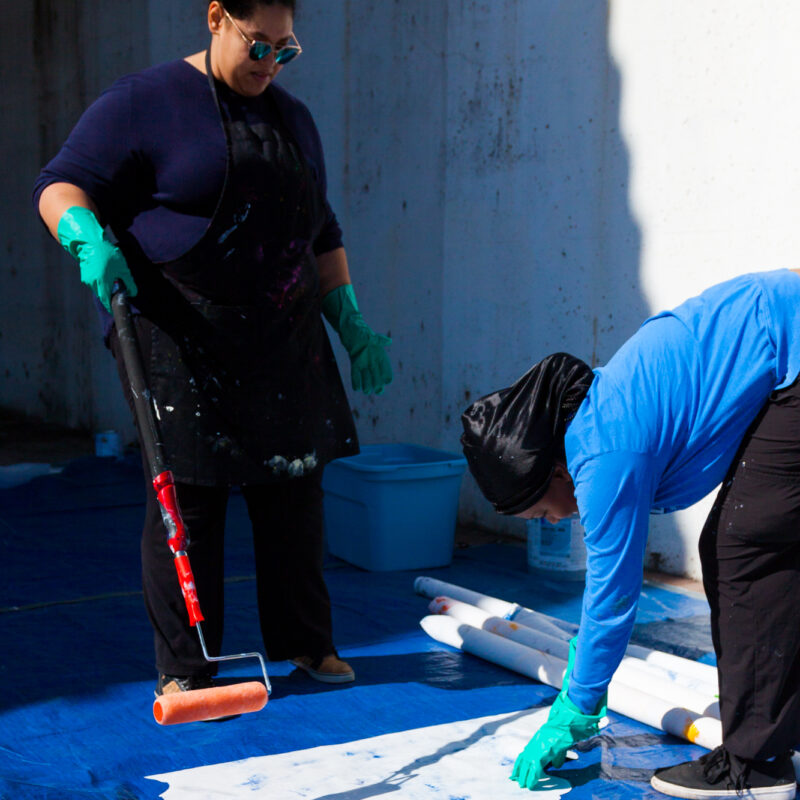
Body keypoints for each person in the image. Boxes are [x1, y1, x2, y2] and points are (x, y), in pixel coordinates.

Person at [34, 0, 392, 695]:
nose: (269, 65)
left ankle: (307, 646)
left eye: (286, 51)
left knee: (294, 496)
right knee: (188, 506)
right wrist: (84, 234)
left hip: (286, 341)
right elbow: (60, 183)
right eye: (258, 46)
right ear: (216, 17)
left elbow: (321, 231)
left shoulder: (293, 119)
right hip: (180, 339)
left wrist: (348, 319)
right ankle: (189, 669)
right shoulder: (146, 102)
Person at [461, 269, 800, 799]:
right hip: (785, 345)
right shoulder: (597, 417)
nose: (554, 521)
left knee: (744, 549)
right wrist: (581, 661)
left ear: (554, 471)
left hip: (792, 350)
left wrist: (578, 705)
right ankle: (772, 729)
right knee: (757, 539)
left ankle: (756, 768)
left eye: (541, 511)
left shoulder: (602, 455)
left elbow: (613, 596)